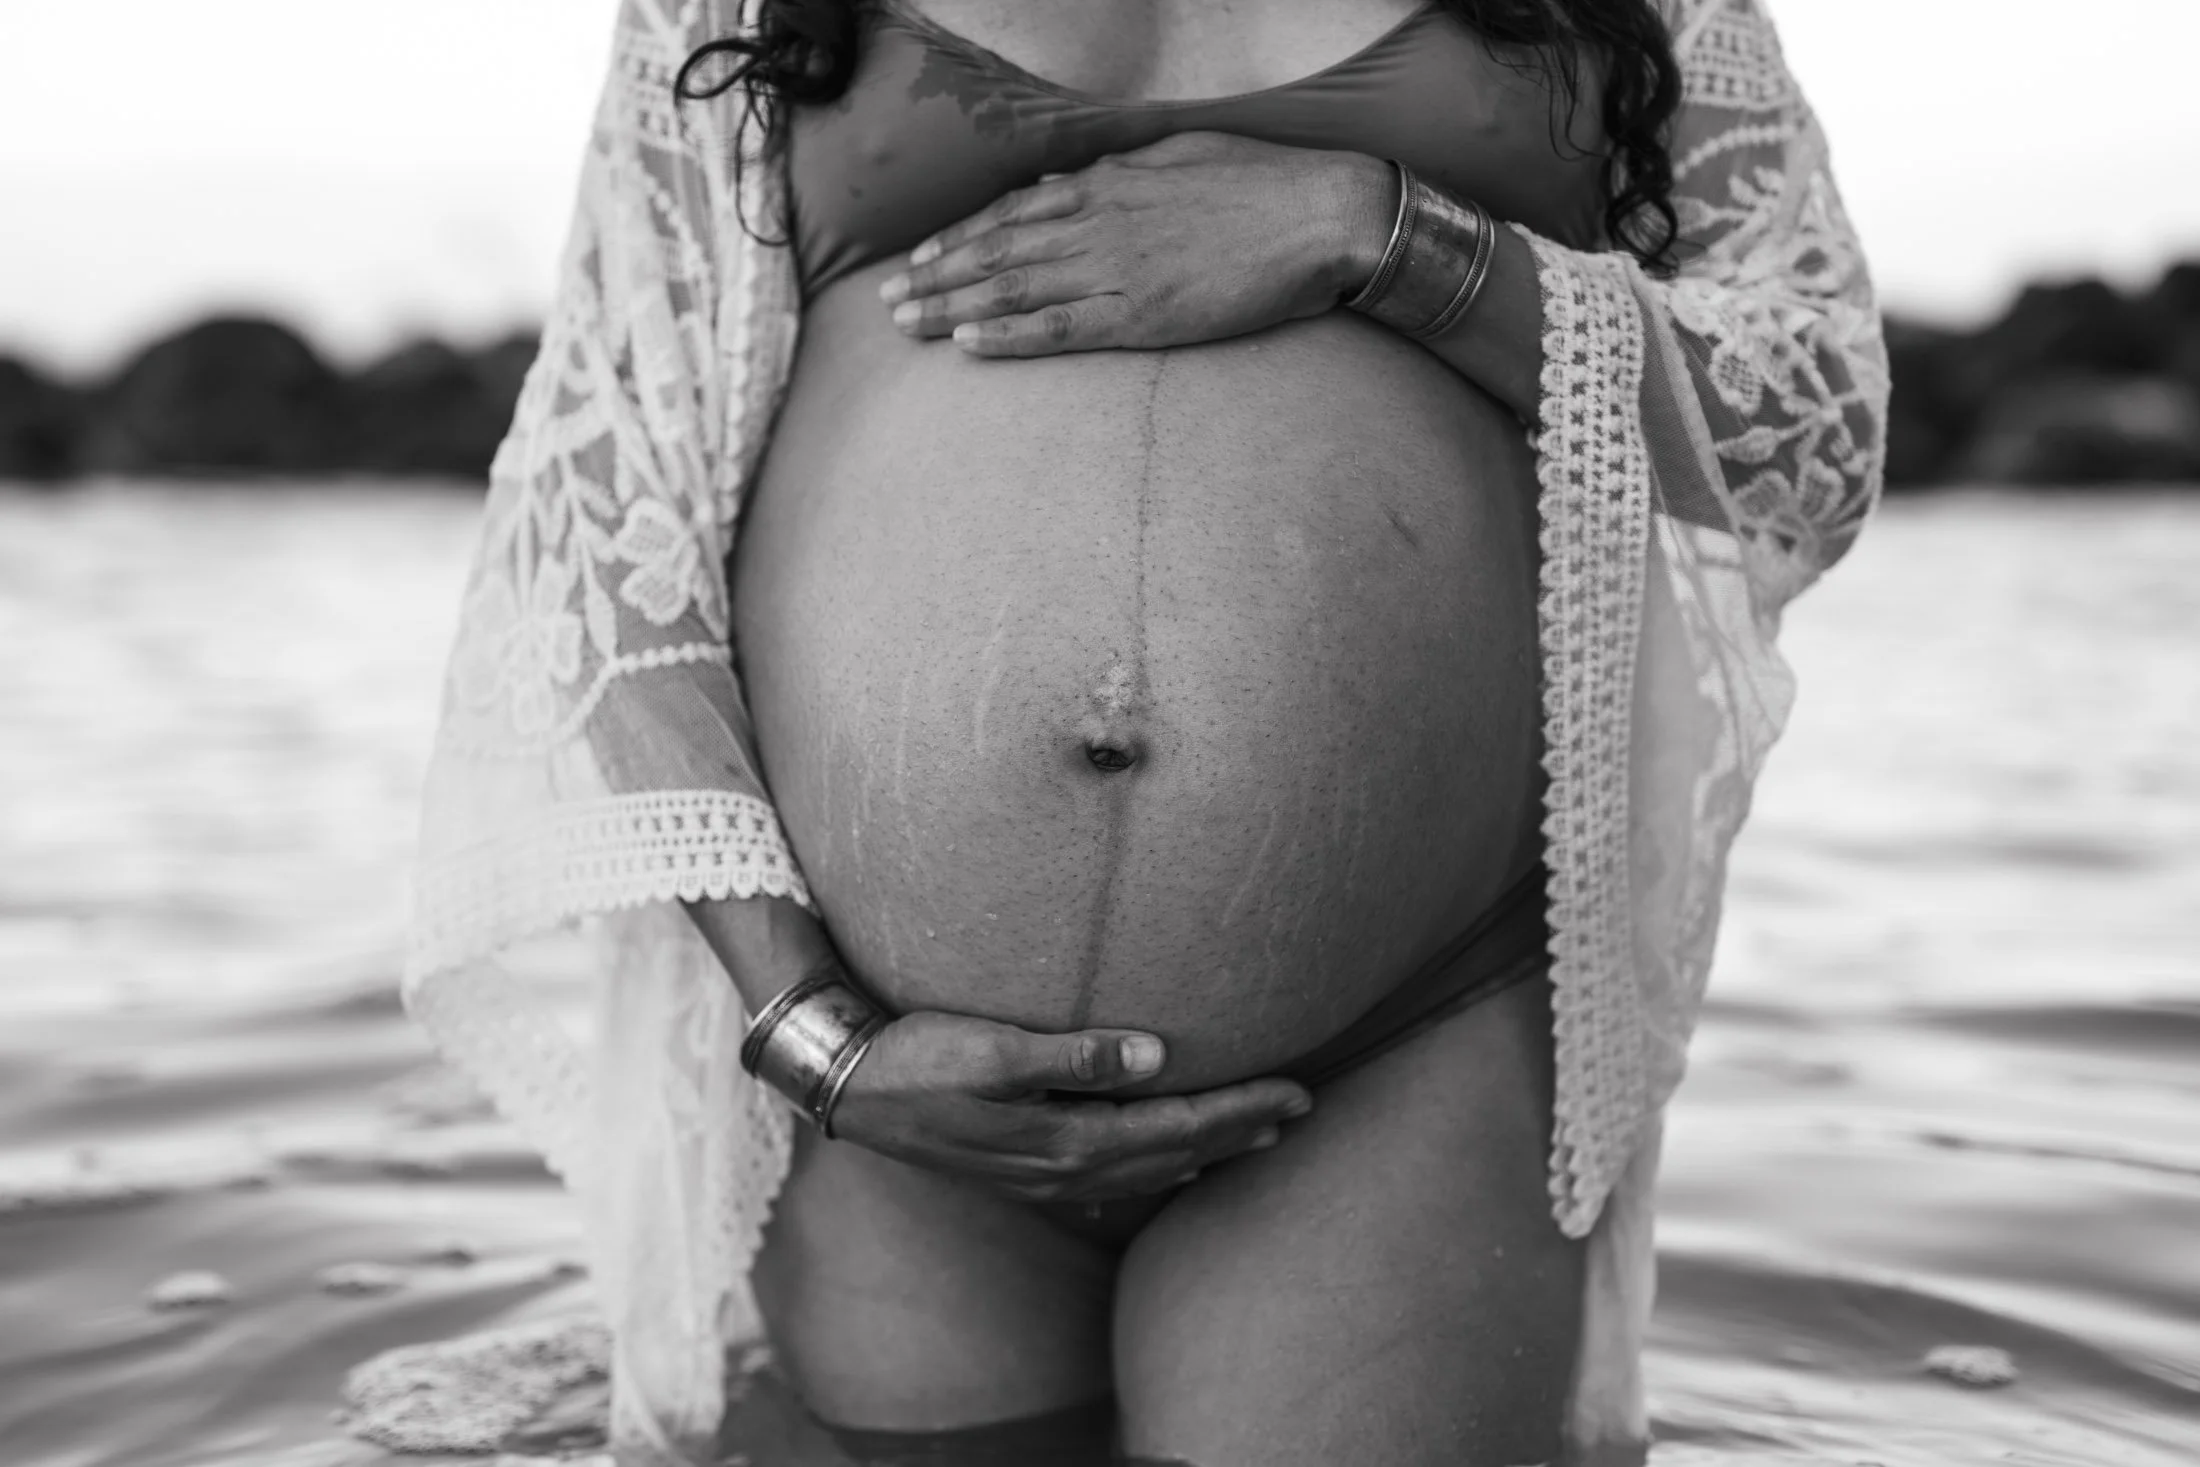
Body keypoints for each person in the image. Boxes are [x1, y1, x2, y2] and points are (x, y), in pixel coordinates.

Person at [405, 0, 1886, 1462]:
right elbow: (610, 514)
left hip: (1405, 1033)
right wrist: (814, 1034)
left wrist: (1384, 235)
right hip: (881, 1071)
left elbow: (1815, 425)